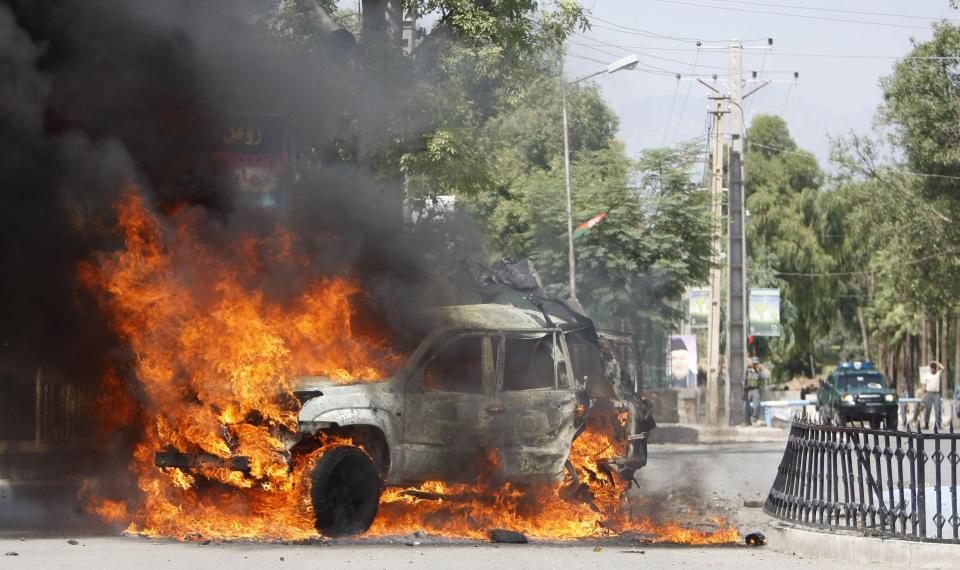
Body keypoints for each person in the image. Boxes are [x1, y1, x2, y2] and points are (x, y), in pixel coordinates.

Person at [744, 357, 768, 425]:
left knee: (756, 406)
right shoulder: (748, 371)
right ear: (752, 364)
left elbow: (764, 378)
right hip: (748, 390)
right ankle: (747, 420)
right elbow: (743, 379)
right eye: (754, 363)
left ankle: (754, 419)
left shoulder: (759, 372)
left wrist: (761, 369)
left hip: (755, 390)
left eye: (756, 363)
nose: (755, 365)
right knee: (746, 406)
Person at [922, 361, 944, 430]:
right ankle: (926, 424)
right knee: (928, 409)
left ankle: (939, 424)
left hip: (936, 394)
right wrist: (923, 395)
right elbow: (924, 385)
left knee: (938, 409)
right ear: (930, 368)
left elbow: (943, 368)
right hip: (929, 393)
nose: (933, 369)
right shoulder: (927, 375)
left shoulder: (938, 374)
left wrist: (936, 362)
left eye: (934, 368)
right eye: (932, 368)